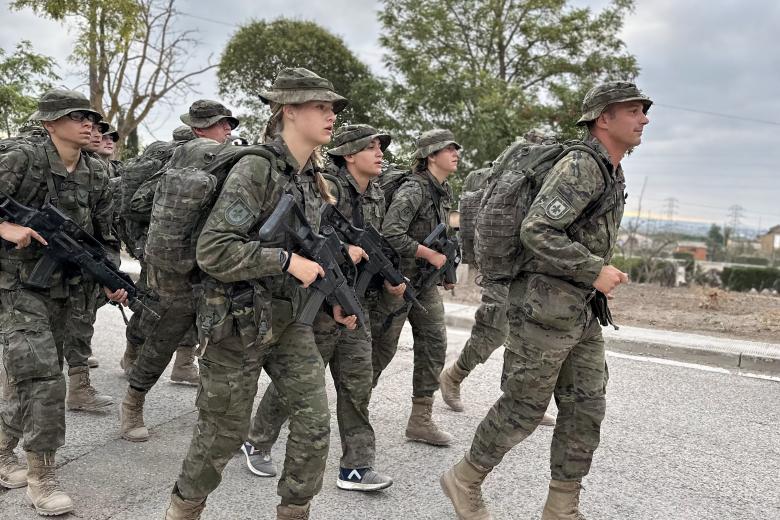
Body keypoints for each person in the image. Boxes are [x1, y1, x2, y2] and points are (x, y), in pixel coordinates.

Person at [440, 81, 651, 520]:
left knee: (586, 405)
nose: (643, 119)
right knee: (523, 407)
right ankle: (464, 478)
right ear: (603, 118)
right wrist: (593, 269)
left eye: (643, 111)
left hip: (581, 309)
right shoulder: (581, 166)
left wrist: (590, 279)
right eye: (633, 111)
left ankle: (561, 505)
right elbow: (536, 230)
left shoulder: (613, 171)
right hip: (543, 308)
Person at [164, 67, 353, 520]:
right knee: (222, 434)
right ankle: (183, 511)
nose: (330, 117)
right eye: (320, 108)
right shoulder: (256, 168)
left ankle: (294, 511)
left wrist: (334, 301)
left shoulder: (310, 175)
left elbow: (307, 252)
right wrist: (285, 262)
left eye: (332, 109)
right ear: (289, 111)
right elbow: (214, 250)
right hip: (235, 323)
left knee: (313, 423)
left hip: (287, 321)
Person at [243, 124, 399, 492]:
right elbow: (300, 235)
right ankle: (257, 440)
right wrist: (343, 252)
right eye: (372, 147)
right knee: (297, 383)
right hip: (316, 299)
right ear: (349, 155)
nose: (380, 154)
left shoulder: (375, 194)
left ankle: (356, 467)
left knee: (358, 382)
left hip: (350, 300)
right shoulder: (322, 186)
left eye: (381, 147)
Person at [0, 89, 127, 516]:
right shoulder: (22, 158)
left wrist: (111, 277)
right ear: (49, 123)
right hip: (15, 286)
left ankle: (1, 454)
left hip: (64, 291)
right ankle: (42, 475)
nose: (89, 123)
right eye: (77, 117)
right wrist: (6, 227)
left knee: (25, 375)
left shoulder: (96, 172)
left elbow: (104, 236)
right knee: (43, 378)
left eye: (91, 117)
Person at [119, 100, 240, 443]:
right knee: (162, 340)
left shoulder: (234, 161)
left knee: (219, 341)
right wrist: (171, 215)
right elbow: (139, 203)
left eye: (229, 124)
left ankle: (214, 421)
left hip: (216, 266)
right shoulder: (180, 159)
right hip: (178, 268)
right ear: (200, 128)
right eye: (221, 124)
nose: (227, 130)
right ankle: (132, 403)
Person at [372, 128, 459, 446]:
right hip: (398, 281)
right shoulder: (414, 189)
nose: (455, 154)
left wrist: (446, 269)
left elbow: (445, 235)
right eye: (448, 149)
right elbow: (390, 232)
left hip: (425, 284)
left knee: (435, 344)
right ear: (430, 156)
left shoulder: (443, 190)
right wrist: (428, 254)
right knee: (381, 350)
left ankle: (420, 420)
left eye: (455, 149)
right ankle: (351, 411)